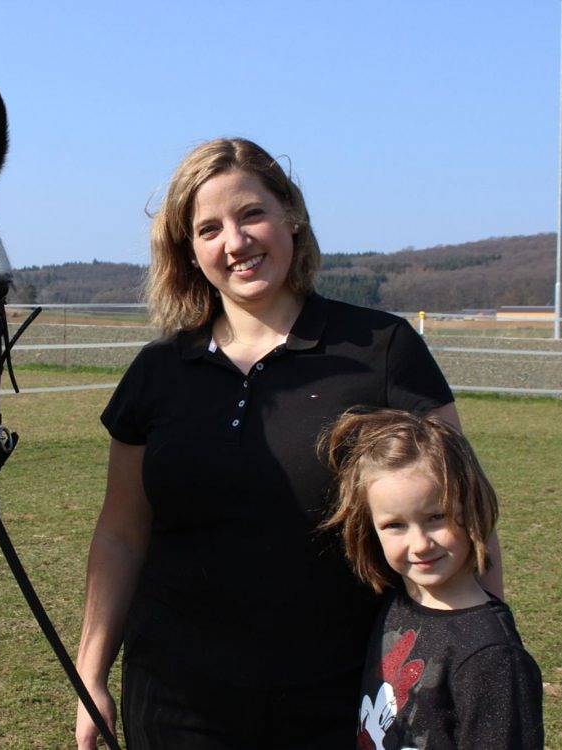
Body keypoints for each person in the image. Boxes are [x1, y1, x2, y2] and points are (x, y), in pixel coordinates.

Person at [73, 138, 503, 749]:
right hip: (177, 703)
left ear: (291, 216)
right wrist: (91, 672)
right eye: (208, 229)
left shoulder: (382, 349)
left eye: (252, 214)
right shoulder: (157, 372)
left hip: (348, 695)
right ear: (190, 253)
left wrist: (482, 641)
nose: (236, 242)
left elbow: (466, 509)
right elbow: (121, 533)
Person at [321, 408, 543, 749]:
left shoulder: (492, 657)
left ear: (470, 505)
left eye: (436, 517)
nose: (420, 544)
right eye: (395, 525)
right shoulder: (397, 602)